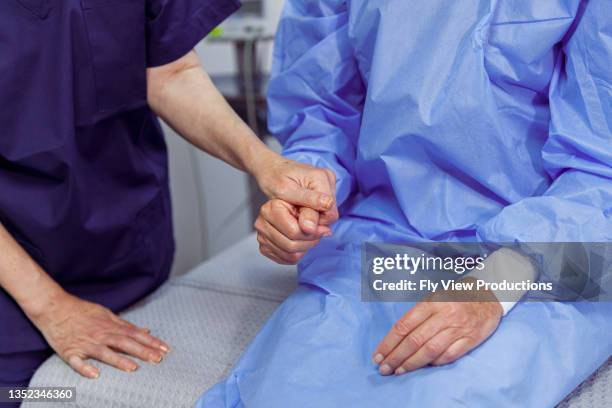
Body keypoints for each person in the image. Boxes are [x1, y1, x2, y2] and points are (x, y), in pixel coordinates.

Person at [199, 0, 612, 406]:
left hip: (550, 254)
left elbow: (600, 164)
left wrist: (493, 286)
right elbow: (322, 113)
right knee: (286, 392)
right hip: (388, 239)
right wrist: (309, 198)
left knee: (451, 394)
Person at [0, 0, 336, 401]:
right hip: (14, 276)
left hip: (128, 253)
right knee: (32, 397)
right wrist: (52, 307)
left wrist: (264, 163)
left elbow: (170, 71)